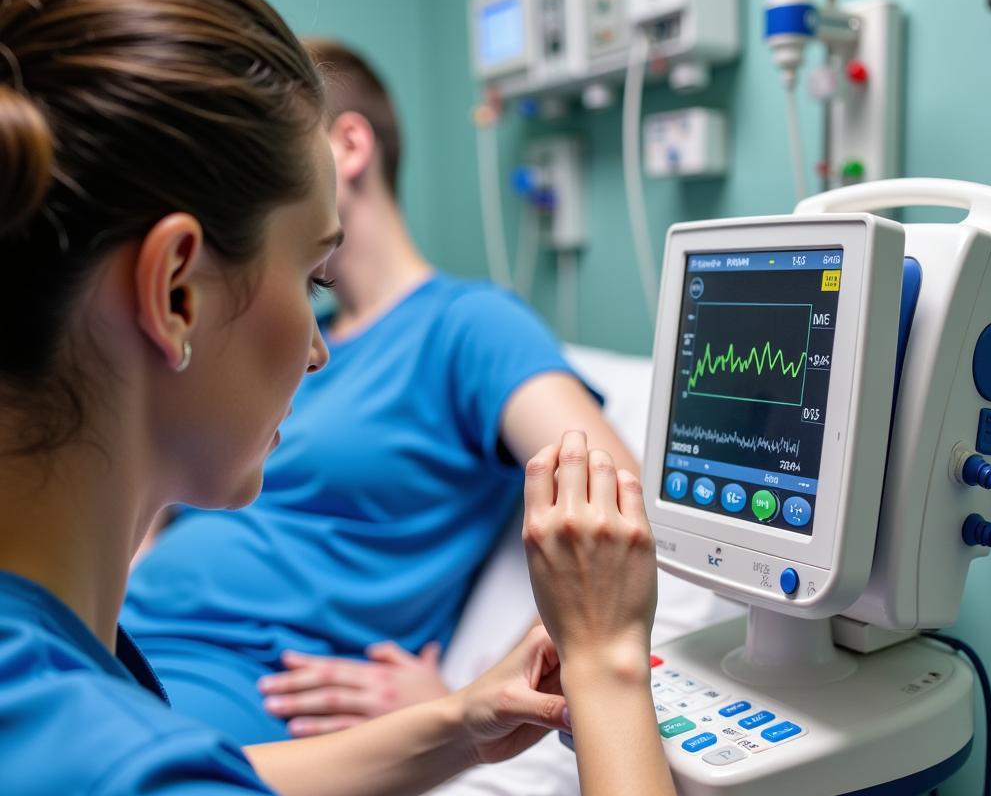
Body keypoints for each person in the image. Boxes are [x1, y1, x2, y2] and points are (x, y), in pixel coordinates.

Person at [0, 0, 713, 796]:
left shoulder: (65, 694)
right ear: (174, 296)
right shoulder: (111, 791)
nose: (319, 343)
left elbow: (177, 792)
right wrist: (603, 669)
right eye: (309, 272)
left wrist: (456, 716)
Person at [122, 39, 636, 744]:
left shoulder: (469, 325)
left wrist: (476, 692)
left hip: (247, 682)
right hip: (117, 633)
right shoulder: (285, 336)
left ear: (350, 147)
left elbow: (615, 500)